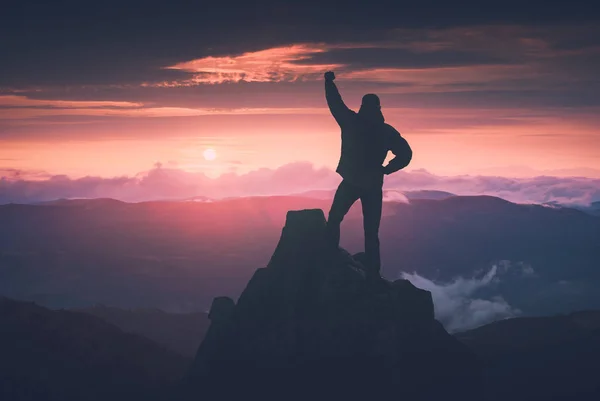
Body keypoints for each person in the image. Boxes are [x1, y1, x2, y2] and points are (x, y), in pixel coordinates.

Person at [324, 71, 412, 277]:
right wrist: (386, 169)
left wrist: (328, 82)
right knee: (371, 230)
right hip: (373, 184)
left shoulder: (351, 122)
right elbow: (406, 154)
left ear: (363, 106)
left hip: (352, 181)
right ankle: (373, 269)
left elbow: (335, 103)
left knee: (335, 217)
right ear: (379, 109)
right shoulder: (386, 131)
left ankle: (328, 254)